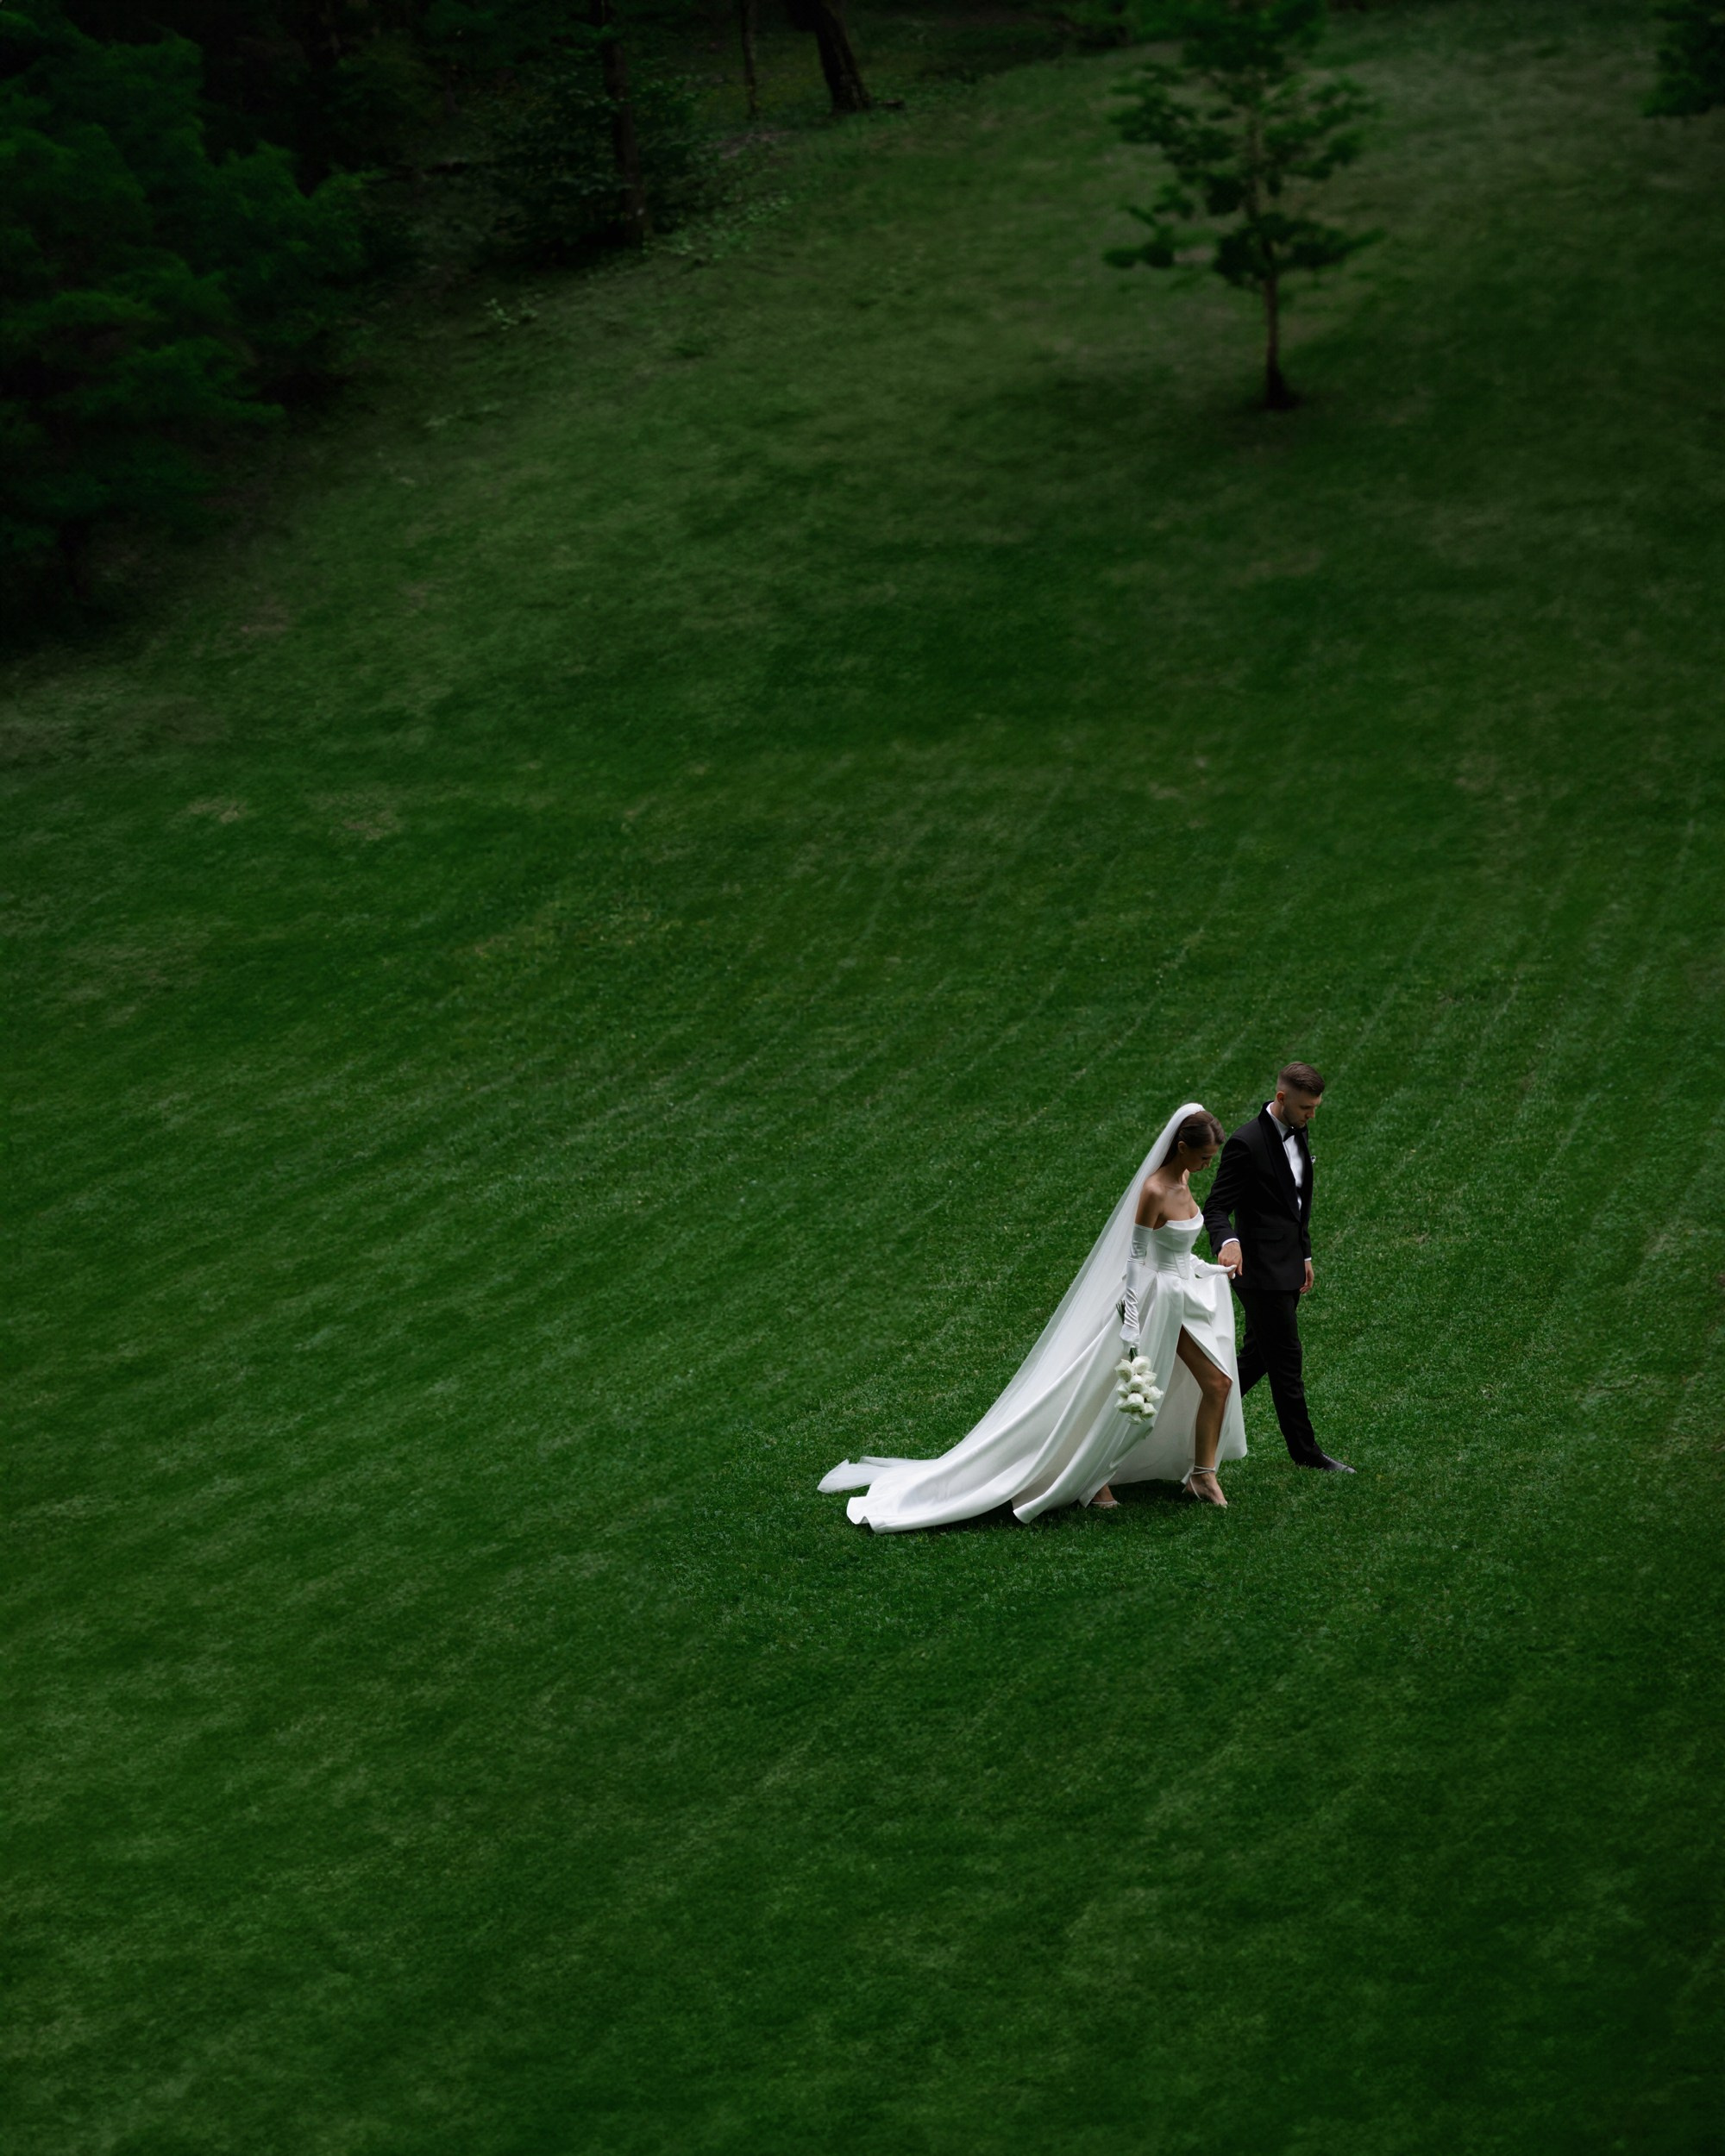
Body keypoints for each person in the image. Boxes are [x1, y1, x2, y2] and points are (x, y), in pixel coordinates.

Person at [820, 1104, 1246, 1531]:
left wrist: (1210, 1268)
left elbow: (1177, 1250)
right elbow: (1136, 1259)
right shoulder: (1154, 1190)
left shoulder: (1185, 1179)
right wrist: (1132, 1319)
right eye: (1204, 1157)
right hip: (1154, 1302)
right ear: (1182, 1146)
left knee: (1216, 1382)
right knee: (1124, 1392)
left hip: (1182, 1295)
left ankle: (1201, 1475)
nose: (1208, 1166)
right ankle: (1093, 1476)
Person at [1202, 1062, 1352, 1474]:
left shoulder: (1299, 1130)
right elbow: (1215, 1207)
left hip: (1288, 1266)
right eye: (1306, 1108)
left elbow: (1297, 1203)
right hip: (1259, 1273)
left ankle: (1196, 1417)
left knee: (1257, 1357)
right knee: (1287, 1360)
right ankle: (1306, 1451)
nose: (1312, 1116)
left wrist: (1304, 1255)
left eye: (1316, 1108)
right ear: (1282, 1099)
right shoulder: (1245, 1144)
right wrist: (1229, 1243)